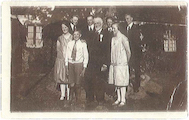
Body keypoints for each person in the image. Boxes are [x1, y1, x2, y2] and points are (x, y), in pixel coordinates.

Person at [86, 17, 109, 105]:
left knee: (100, 80)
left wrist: (105, 64)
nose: (96, 25)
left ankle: (100, 99)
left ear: (101, 24)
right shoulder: (91, 34)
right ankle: (90, 98)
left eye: (98, 23)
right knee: (90, 79)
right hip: (91, 62)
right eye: (95, 23)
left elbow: (107, 50)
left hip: (101, 62)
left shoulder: (106, 34)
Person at [109, 23, 131, 107]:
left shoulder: (123, 38)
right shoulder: (113, 39)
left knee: (122, 82)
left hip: (122, 63)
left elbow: (128, 51)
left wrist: (125, 61)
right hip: (114, 63)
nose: (113, 30)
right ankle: (118, 98)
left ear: (118, 29)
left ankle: (123, 99)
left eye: (114, 28)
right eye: (112, 28)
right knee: (116, 81)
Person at [65, 30, 89, 104]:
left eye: (77, 34)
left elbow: (86, 56)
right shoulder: (70, 43)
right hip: (71, 63)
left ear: (80, 35)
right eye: (74, 34)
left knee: (78, 83)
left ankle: (78, 99)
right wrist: (66, 65)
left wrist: (84, 68)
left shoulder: (83, 44)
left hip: (79, 64)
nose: (75, 36)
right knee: (71, 83)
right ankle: (70, 99)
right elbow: (66, 55)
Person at [121, 13, 142, 93]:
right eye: (126, 19)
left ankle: (137, 86)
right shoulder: (126, 28)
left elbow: (136, 42)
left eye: (128, 18)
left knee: (137, 70)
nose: (127, 20)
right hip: (128, 52)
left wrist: (135, 52)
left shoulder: (135, 28)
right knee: (128, 69)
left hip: (135, 52)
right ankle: (127, 86)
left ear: (132, 18)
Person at [54, 21, 72, 101]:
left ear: (68, 27)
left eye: (65, 27)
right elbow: (58, 49)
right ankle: (62, 94)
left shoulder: (72, 37)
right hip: (61, 59)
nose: (64, 29)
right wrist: (61, 59)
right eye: (62, 28)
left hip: (70, 60)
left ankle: (68, 95)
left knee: (69, 78)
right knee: (62, 77)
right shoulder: (59, 38)